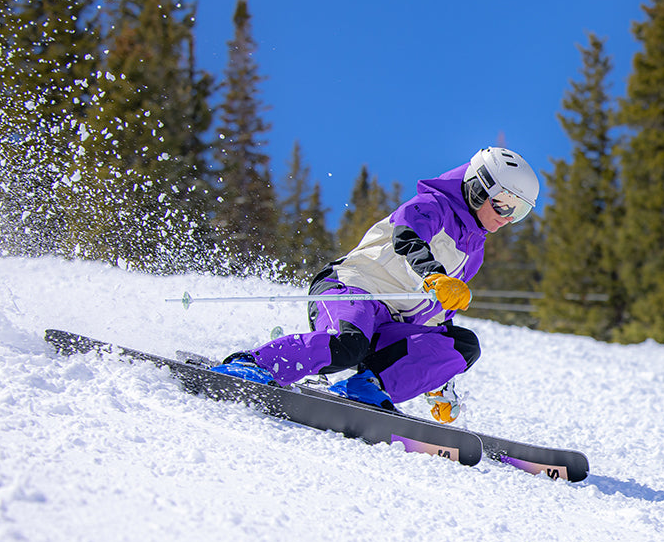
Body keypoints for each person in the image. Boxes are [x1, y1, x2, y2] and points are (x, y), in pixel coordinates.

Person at [211, 146, 539, 423]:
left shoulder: (474, 252)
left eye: (520, 211)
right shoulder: (433, 205)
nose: (508, 217)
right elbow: (407, 237)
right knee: (349, 345)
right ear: (478, 187)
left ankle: (365, 387)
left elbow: (438, 313)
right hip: (351, 290)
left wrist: (438, 383)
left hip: (390, 325)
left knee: (463, 345)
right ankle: (253, 365)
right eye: (505, 203)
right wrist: (434, 275)